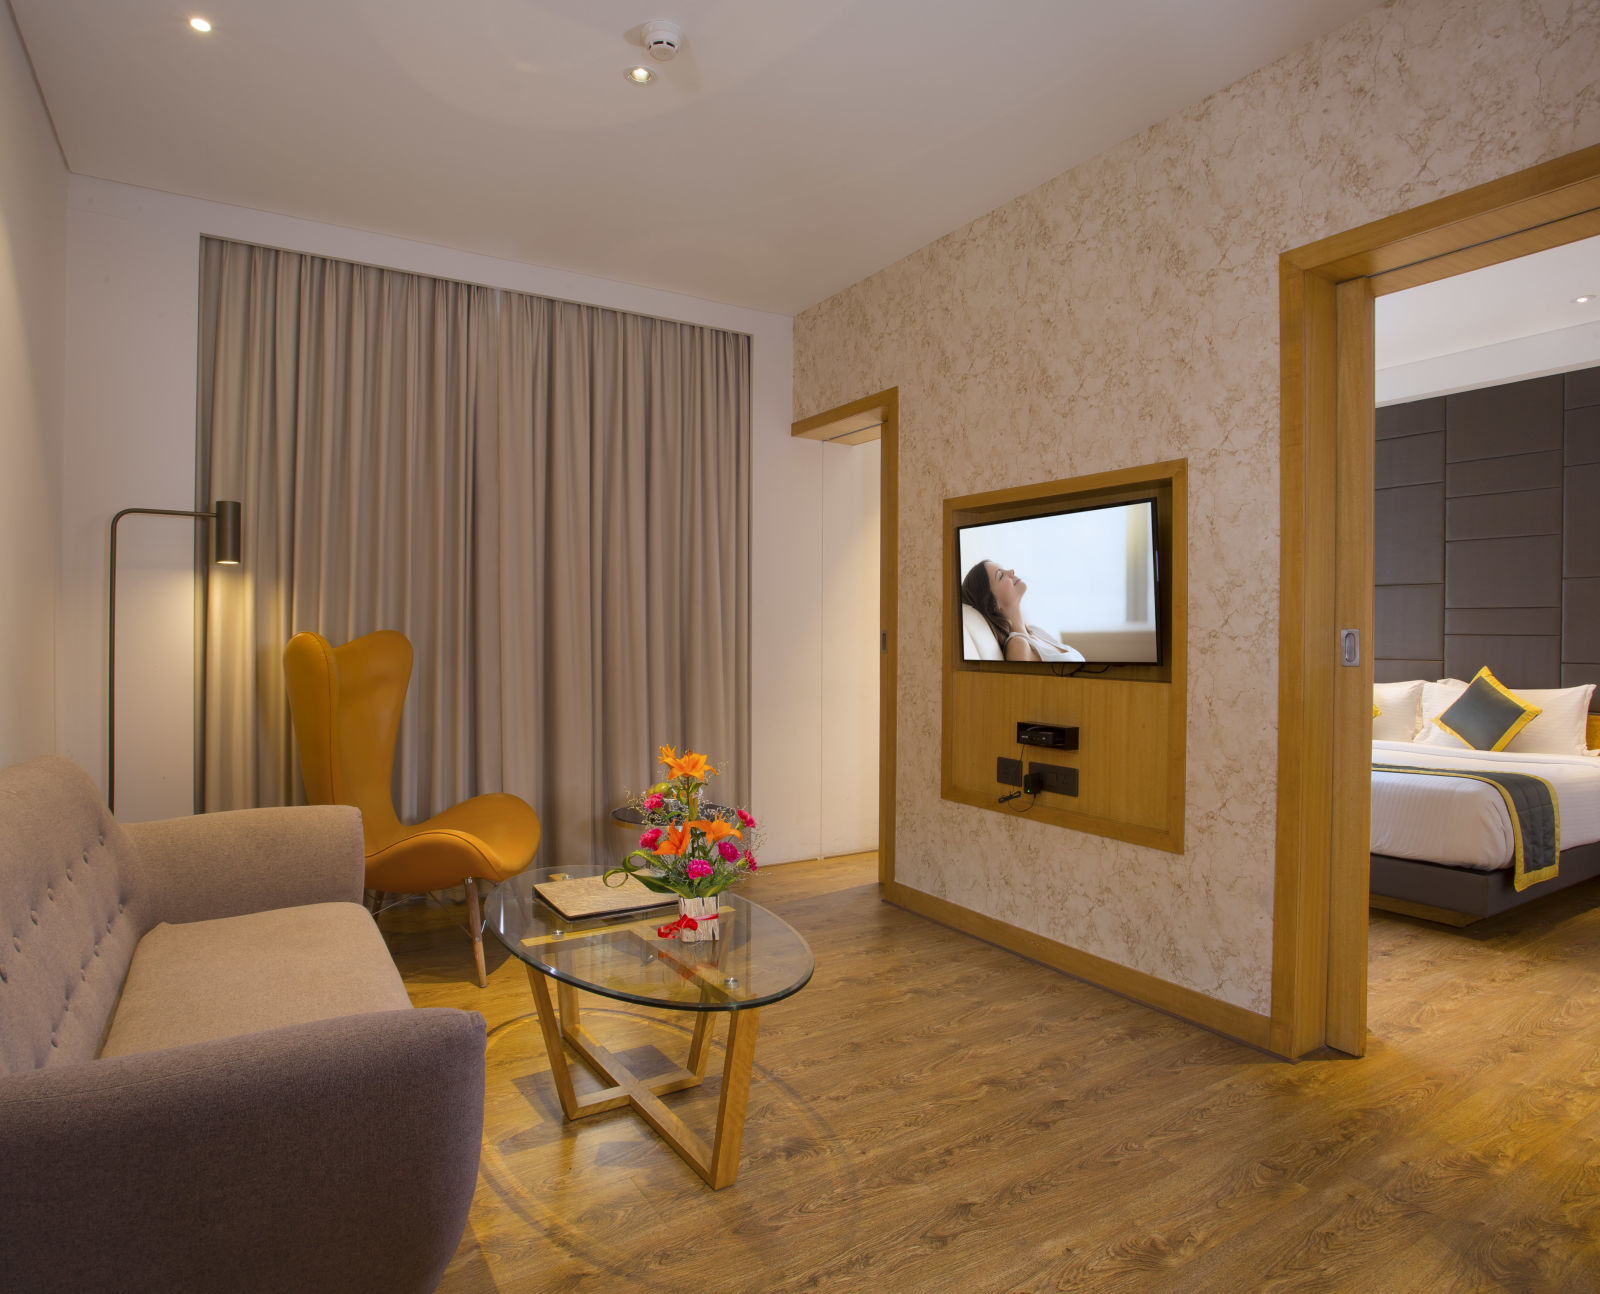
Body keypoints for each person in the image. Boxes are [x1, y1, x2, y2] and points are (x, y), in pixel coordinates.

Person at [960, 559, 1084, 662]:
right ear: (993, 604)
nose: (1011, 571)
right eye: (1001, 575)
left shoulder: (1036, 631)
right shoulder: (1017, 645)